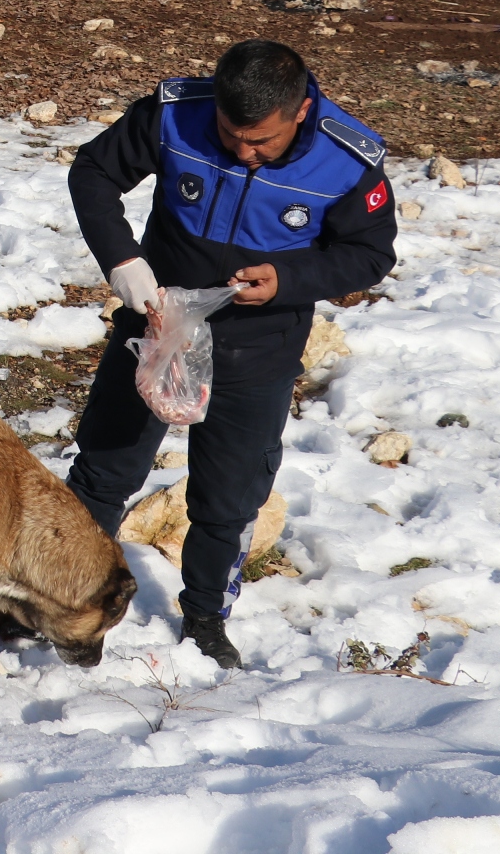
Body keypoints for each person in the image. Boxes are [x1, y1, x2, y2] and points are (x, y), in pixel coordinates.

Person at [63, 38, 396, 670]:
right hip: (159, 323)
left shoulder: (347, 160)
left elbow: (371, 253)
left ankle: (207, 617)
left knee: (228, 499)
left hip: (258, 348)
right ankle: (66, 599)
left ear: (300, 112)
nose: (243, 151)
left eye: (260, 142)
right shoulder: (176, 113)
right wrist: (123, 261)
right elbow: (94, 170)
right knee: (103, 473)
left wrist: (289, 280)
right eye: (230, 134)